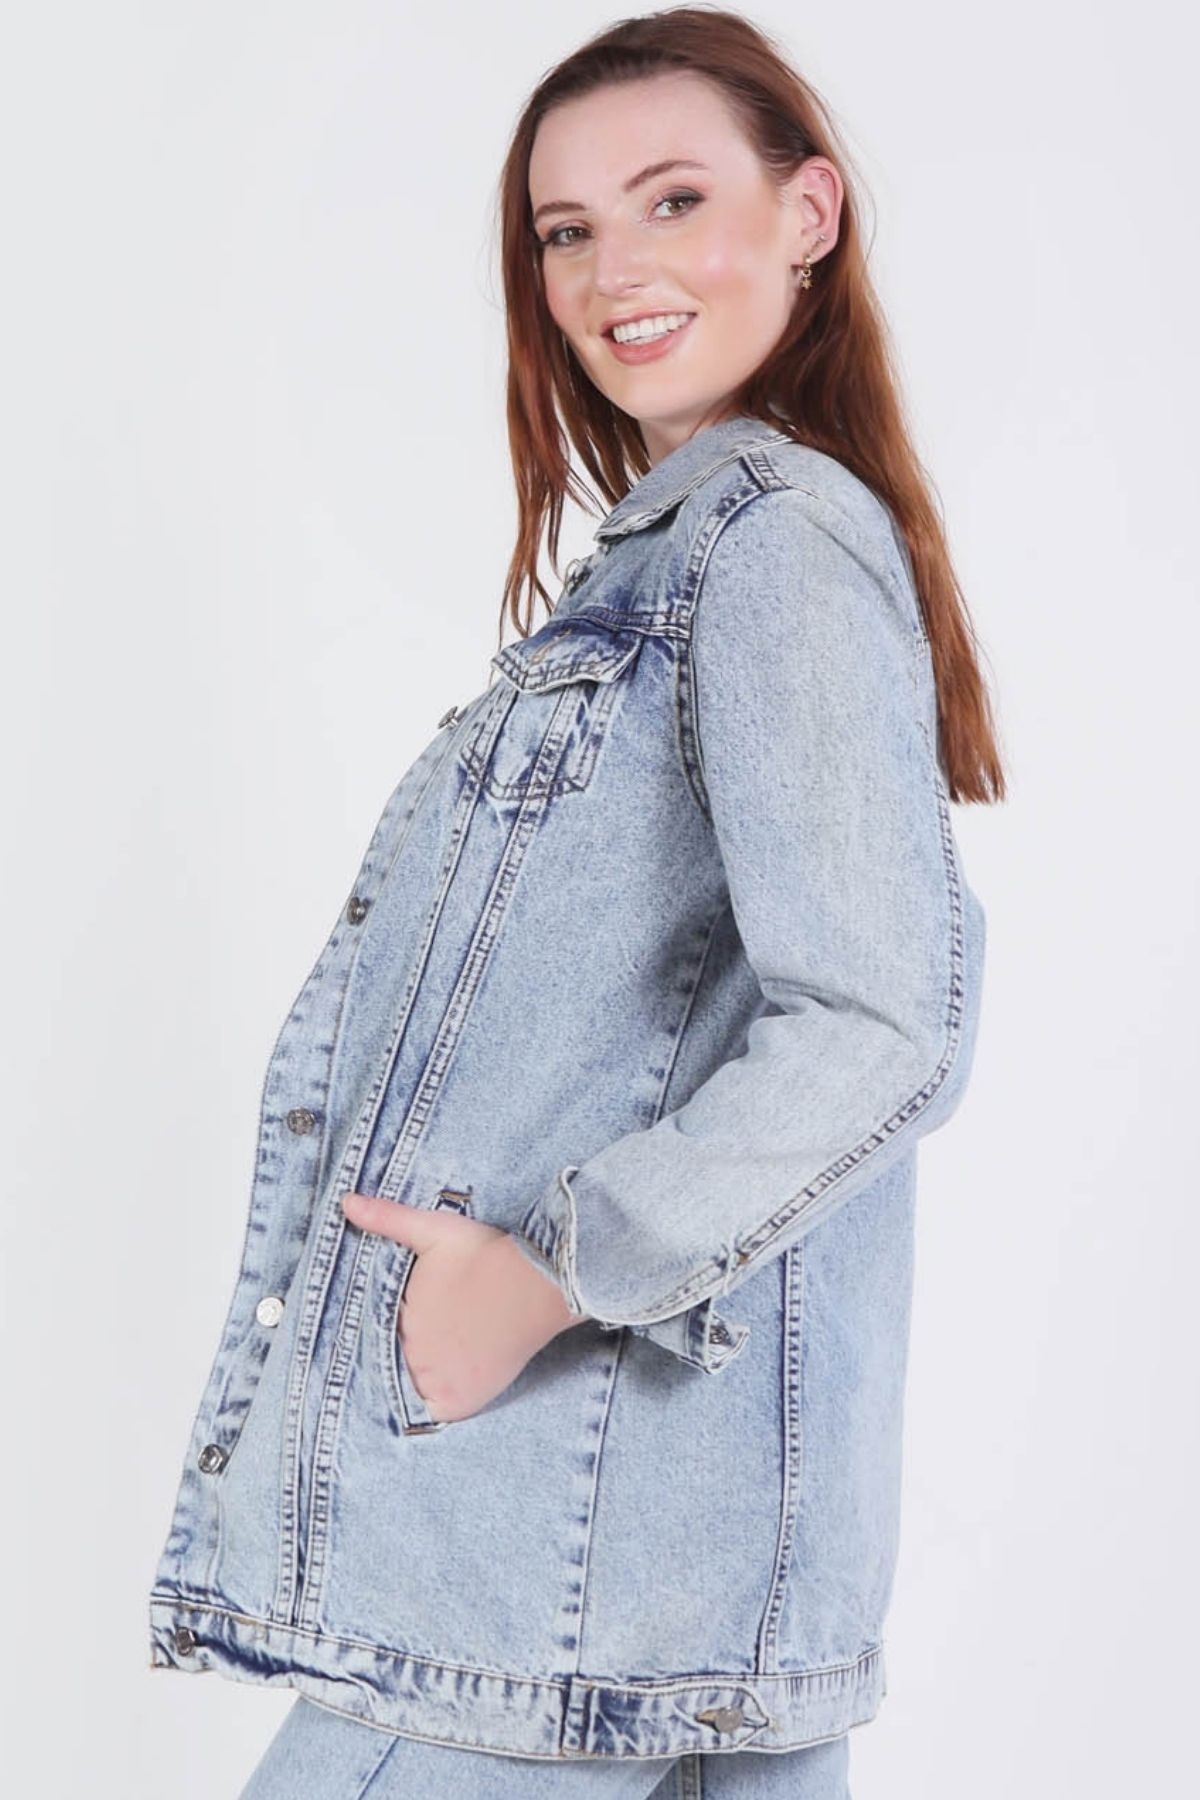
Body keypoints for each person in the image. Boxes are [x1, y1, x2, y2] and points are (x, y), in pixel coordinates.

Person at [147, 8, 1004, 1796]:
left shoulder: (768, 543)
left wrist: (551, 1276)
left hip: (553, 1571)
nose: (616, 271)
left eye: (674, 199)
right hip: (651, 1581)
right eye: (567, 230)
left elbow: (878, 1022)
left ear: (809, 212)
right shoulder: (696, 553)